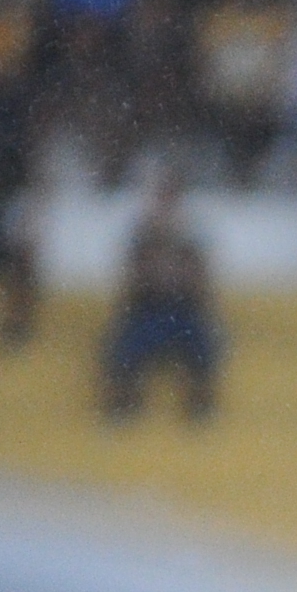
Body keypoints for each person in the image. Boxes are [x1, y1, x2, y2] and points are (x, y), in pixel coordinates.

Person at [98, 169, 222, 423]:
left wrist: (178, 276)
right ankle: (124, 401)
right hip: (148, 310)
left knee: (204, 342)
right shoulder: (141, 236)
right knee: (124, 345)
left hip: (183, 310)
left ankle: (201, 403)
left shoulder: (191, 238)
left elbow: (201, 282)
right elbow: (130, 280)